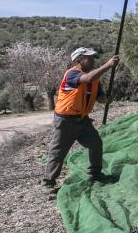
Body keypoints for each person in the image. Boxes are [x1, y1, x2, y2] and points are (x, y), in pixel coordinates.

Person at [42, 47, 119, 193]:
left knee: (96, 143)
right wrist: (108, 65)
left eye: (93, 57)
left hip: (82, 120)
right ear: (78, 60)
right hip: (65, 121)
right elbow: (88, 79)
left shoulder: (94, 78)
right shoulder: (71, 74)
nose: (93, 60)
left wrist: (108, 99)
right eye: (89, 58)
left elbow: (100, 98)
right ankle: (48, 182)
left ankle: (95, 174)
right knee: (58, 151)